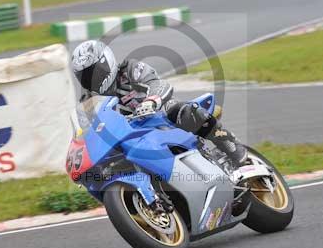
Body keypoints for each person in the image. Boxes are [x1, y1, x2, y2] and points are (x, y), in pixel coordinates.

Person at [71, 40, 248, 167]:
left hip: (159, 117)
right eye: (84, 77)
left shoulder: (130, 70)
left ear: (106, 62)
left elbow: (158, 84)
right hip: (131, 137)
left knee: (177, 110)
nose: (90, 79)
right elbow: (86, 131)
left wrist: (151, 101)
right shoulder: (89, 102)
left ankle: (230, 144)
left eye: (92, 72)